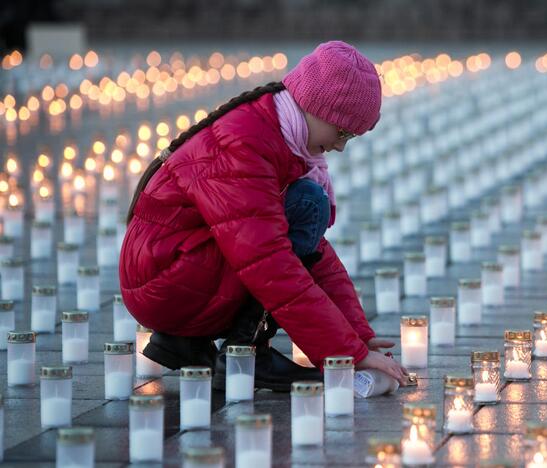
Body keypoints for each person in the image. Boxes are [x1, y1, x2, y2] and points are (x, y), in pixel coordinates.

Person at [119, 41, 408, 391]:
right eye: (342, 132)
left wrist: (358, 335)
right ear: (315, 108)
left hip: (178, 268)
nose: (341, 146)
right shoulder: (245, 144)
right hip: (166, 280)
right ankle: (245, 351)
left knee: (304, 205)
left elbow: (315, 253)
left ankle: (189, 342)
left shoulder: (275, 134)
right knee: (305, 207)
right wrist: (345, 352)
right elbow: (269, 261)